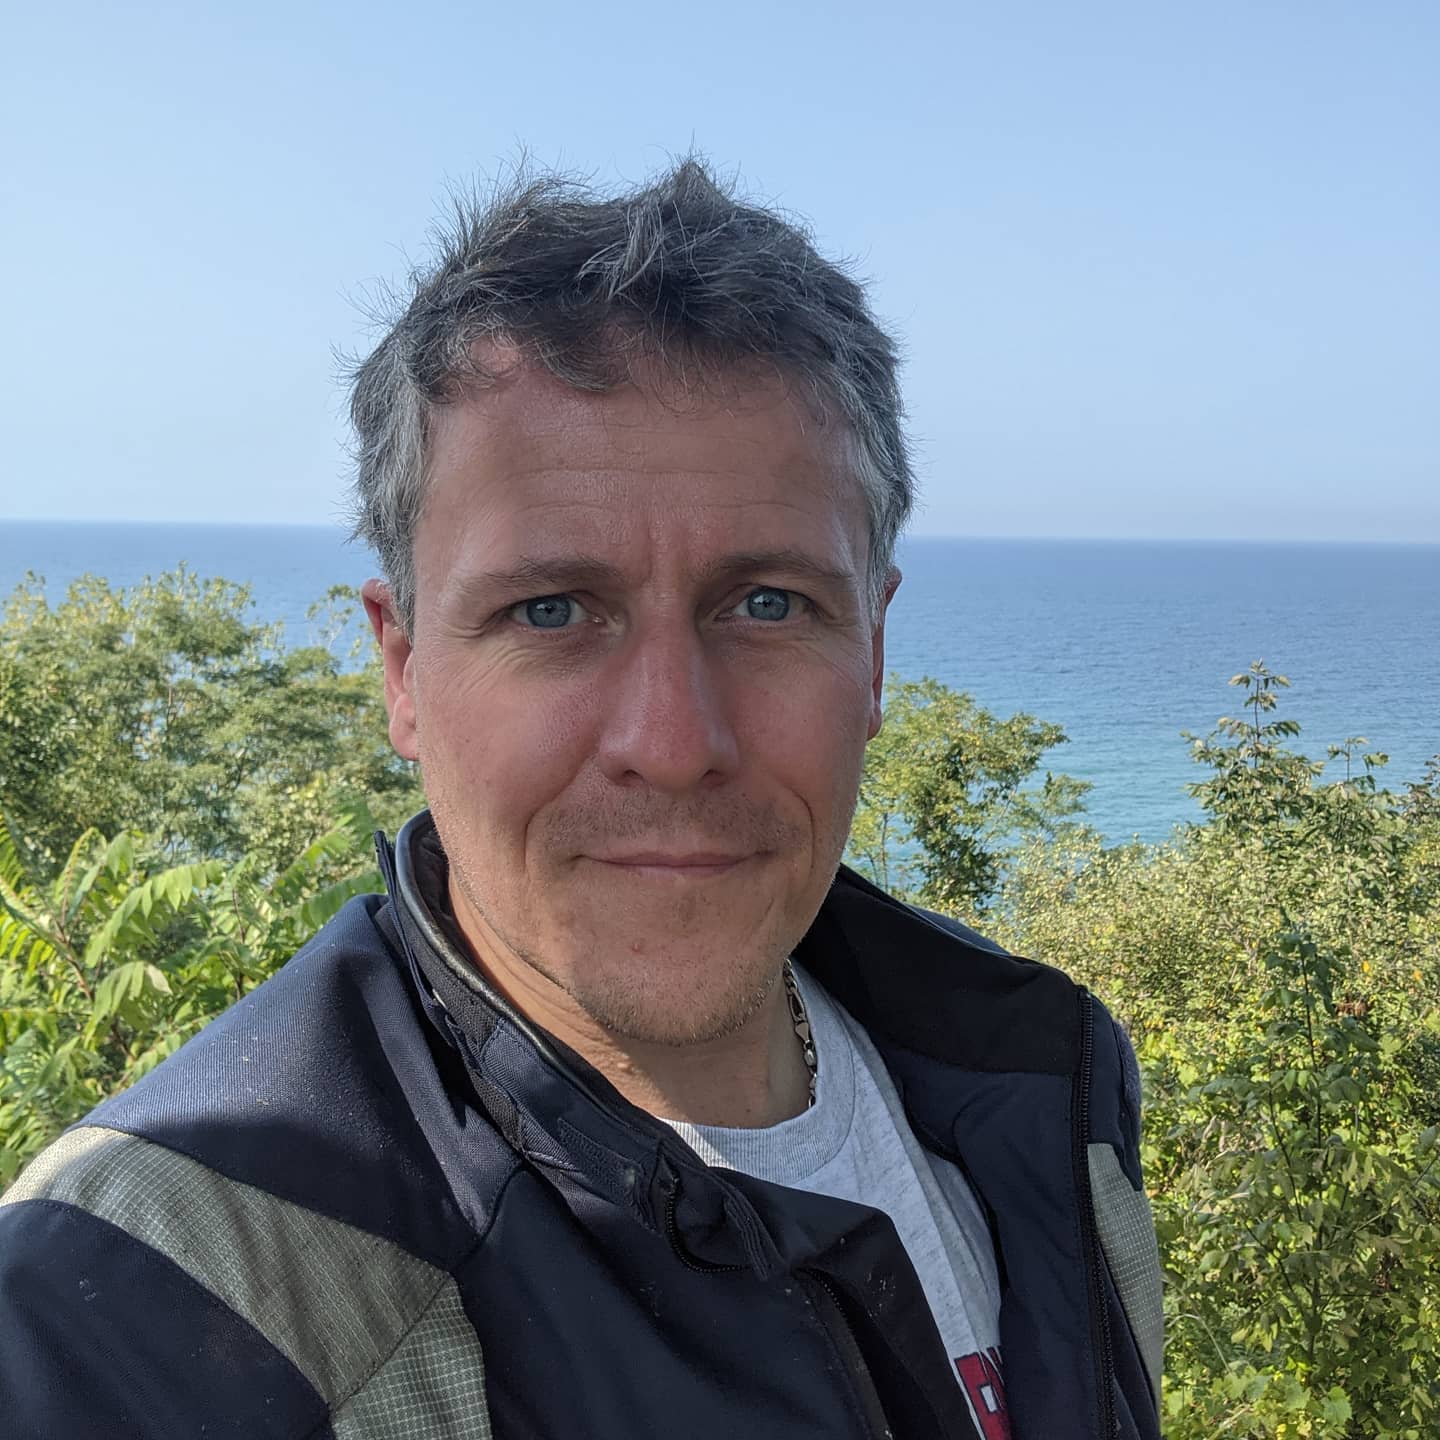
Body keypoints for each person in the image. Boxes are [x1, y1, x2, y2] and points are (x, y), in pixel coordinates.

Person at [0, 159, 1162, 1439]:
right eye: (549, 611)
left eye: (768, 604)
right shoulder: (141, 1312)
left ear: (873, 653)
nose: (673, 744)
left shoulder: (1038, 1081)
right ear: (404, 672)